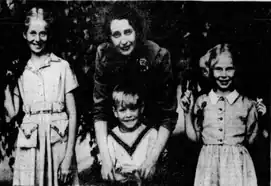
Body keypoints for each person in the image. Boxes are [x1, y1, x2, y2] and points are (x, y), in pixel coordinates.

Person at [92, 2, 177, 183]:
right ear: (108, 37)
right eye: (116, 34)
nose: (123, 40)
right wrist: (106, 160)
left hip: (152, 137)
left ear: (137, 32)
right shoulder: (104, 56)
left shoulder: (158, 56)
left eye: (128, 32)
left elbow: (168, 115)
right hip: (119, 135)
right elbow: (99, 111)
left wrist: (152, 160)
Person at [4, 6, 79, 186]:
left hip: (58, 145)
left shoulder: (62, 67)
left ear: (49, 34)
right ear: (25, 34)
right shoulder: (19, 71)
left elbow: (74, 114)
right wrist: (5, 81)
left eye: (43, 33)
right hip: (30, 148)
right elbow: (12, 114)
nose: (37, 39)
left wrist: (68, 157)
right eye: (32, 33)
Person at [181, 43, 260, 186]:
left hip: (236, 166)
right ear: (210, 71)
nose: (224, 75)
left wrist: (260, 118)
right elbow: (194, 138)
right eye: (218, 69)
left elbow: (251, 141)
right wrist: (187, 113)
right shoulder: (202, 101)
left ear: (236, 70)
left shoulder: (247, 104)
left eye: (229, 69)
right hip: (208, 165)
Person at [106, 82, 157, 186]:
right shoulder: (111, 137)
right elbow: (109, 170)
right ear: (115, 112)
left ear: (141, 108)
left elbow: (152, 171)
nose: (128, 115)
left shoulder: (150, 133)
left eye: (133, 109)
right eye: (122, 110)